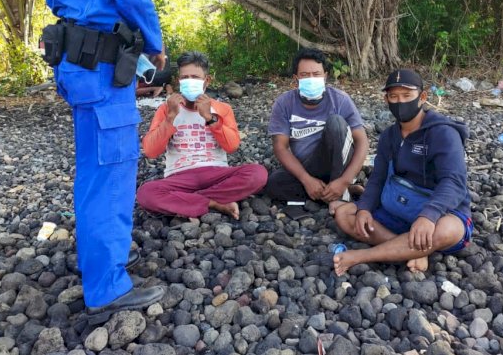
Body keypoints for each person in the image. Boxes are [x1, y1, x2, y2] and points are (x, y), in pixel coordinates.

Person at [38, 0, 168, 324]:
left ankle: (104, 259)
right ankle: (107, 285)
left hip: (74, 60)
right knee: (111, 167)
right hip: (100, 66)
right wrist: (155, 44)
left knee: (96, 165)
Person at [333, 68, 473, 275]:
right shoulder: (389, 136)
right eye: (394, 97)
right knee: (345, 214)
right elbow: (378, 178)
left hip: (439, 211)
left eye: (407, 96)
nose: (400, 102)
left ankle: (362, 256)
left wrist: (429, 216)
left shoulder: (443, 133)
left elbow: (453, 181)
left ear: (422, 97)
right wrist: (364, 208)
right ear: (386, 100)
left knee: (449, 230)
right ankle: (414, 251)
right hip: (398, 206)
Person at [137, 52, 267, 218]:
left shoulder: (222, 109)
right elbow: (151, 151)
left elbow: (232, 146)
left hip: (216, 173)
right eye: (185, 77)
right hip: (179, 176)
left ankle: (189, 202)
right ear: (178, 81)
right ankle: (214, 202)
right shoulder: (166, 109)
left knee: (257, 174)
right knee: (146, 194)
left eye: (195, 77)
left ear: (207, 81)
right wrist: (170, 119)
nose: (190, 81)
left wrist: (210, 118)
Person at [263, 48, 369, 212]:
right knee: (273, 184)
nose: (311, 78)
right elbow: (280, 147)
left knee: (336, 123)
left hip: (339, 165)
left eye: (316, 74)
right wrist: (306, 179)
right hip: (306, 168)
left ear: (325, 76)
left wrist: (344, 181)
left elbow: (362, 141)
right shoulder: (284, 103)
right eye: (305, 75)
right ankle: (333, 193)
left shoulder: (339, 99)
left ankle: (340, 194)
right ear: (296, 78)